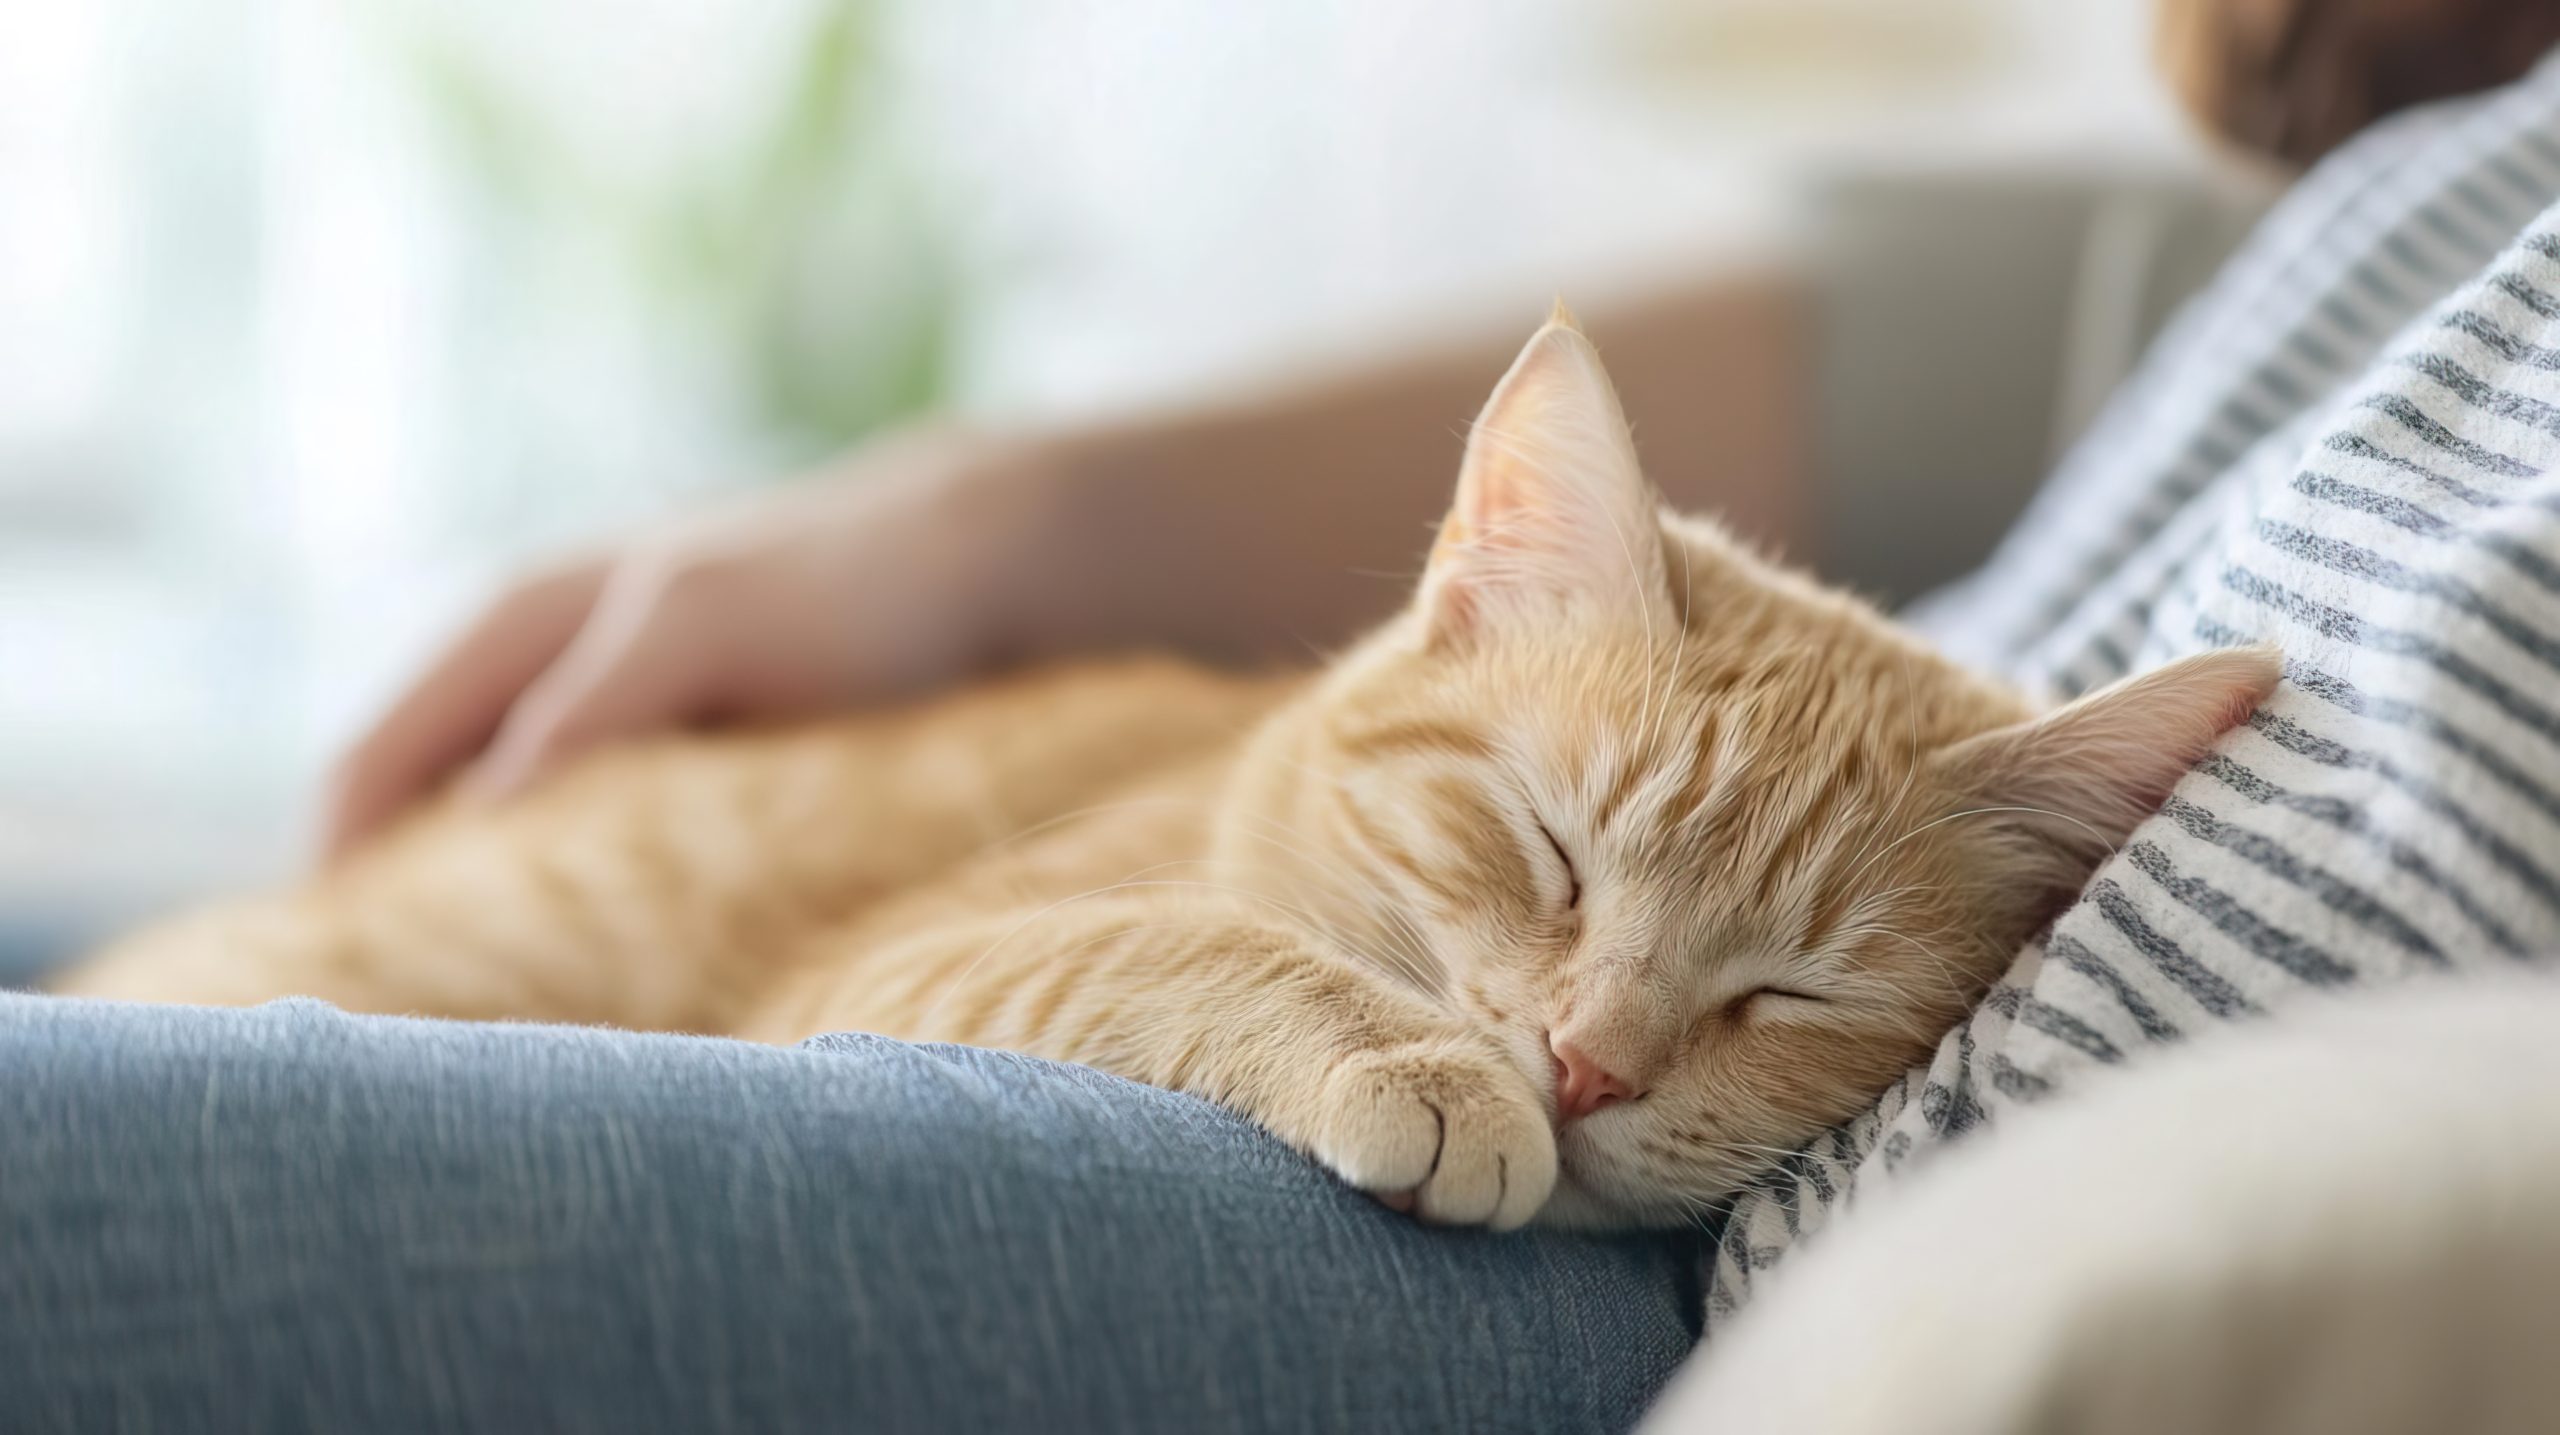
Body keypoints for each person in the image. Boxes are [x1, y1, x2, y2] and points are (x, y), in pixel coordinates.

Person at [9, 3, 2560, 1431]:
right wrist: (978, 527)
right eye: (1553, 891)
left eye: (1755, 1005)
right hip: (807, 987)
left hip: (1614, 1296)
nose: (1586, 1048)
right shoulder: (2398, 133)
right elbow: (2032, 292)